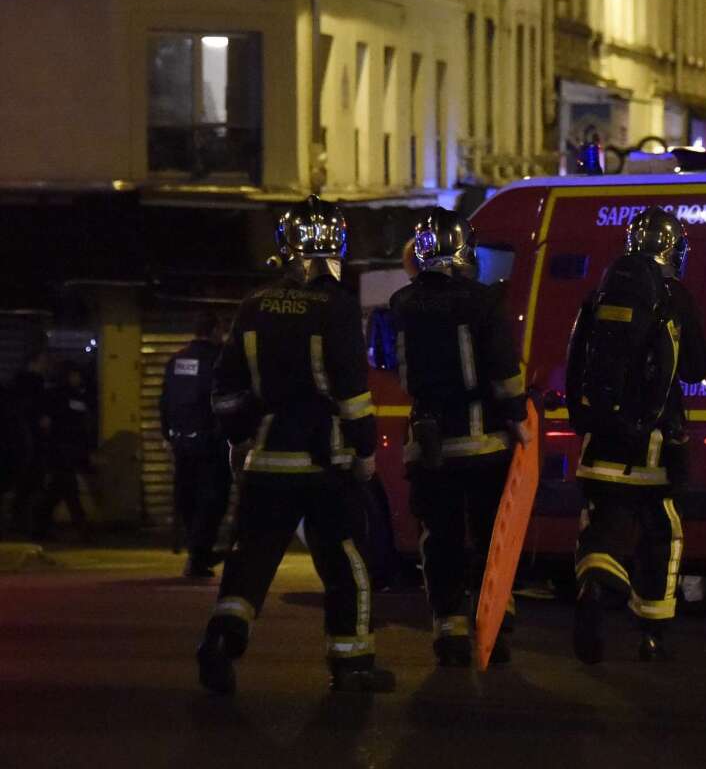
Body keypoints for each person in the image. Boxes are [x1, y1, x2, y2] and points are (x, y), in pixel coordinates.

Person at [196, 195, 393, 694]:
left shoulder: (253, 305)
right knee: (345, 560)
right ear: (338, 244)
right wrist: (366, 451)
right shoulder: (339, 308)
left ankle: (223, 638)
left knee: (252, 558)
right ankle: (352, 664)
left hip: (266, 460)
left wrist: (241, 439)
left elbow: (225, 388)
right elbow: (352, 391)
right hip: (326, 462)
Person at [566, 206, 706, 663]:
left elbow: (575, 359)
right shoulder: (674, 297)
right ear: (672, 249)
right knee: (660, 528)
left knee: (602, 524)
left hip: (599, 438)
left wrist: (585, 416)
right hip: (652, 442)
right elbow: (695, 369)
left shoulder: (599, 294)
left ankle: (592, 587)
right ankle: (651, 632)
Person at [389, 208, 529, 667]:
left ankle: (448, 629)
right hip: (484, 441)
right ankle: (496, 623)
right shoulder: (482, 301)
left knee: (440, 538)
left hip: (429, 444)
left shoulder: (402, 303)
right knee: (494, 536)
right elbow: (503, 369)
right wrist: (516, 415)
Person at [160, 312, 233, 578]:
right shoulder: (219, 358)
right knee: (213, 497)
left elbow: (165, 399)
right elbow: (225, 400)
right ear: (215, 330)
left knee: (188, 496)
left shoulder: (177, 359)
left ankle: (196, 551)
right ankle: (199, 554)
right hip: (211, 441)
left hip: (181, 440)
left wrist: (167, 435)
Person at [33, 361, 93, 542]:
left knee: (58, 492)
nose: (78, 378)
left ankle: (40, 528)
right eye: (75, 375)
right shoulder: (64, 396)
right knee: (68, 491)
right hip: (62, 450)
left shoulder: (68, 395)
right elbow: (71, 424)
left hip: (62, 450)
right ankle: (81, 529)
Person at [5, 349, 50, 538]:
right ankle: (26, 527)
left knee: (25, 486)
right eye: (43, 361)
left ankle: (21, 525)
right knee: (31, 486)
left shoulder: (16, 385)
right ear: (34, 362)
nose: (45, 365)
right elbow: (35, 412)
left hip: (21, 445)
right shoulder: (34, 384)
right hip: (31, 444)